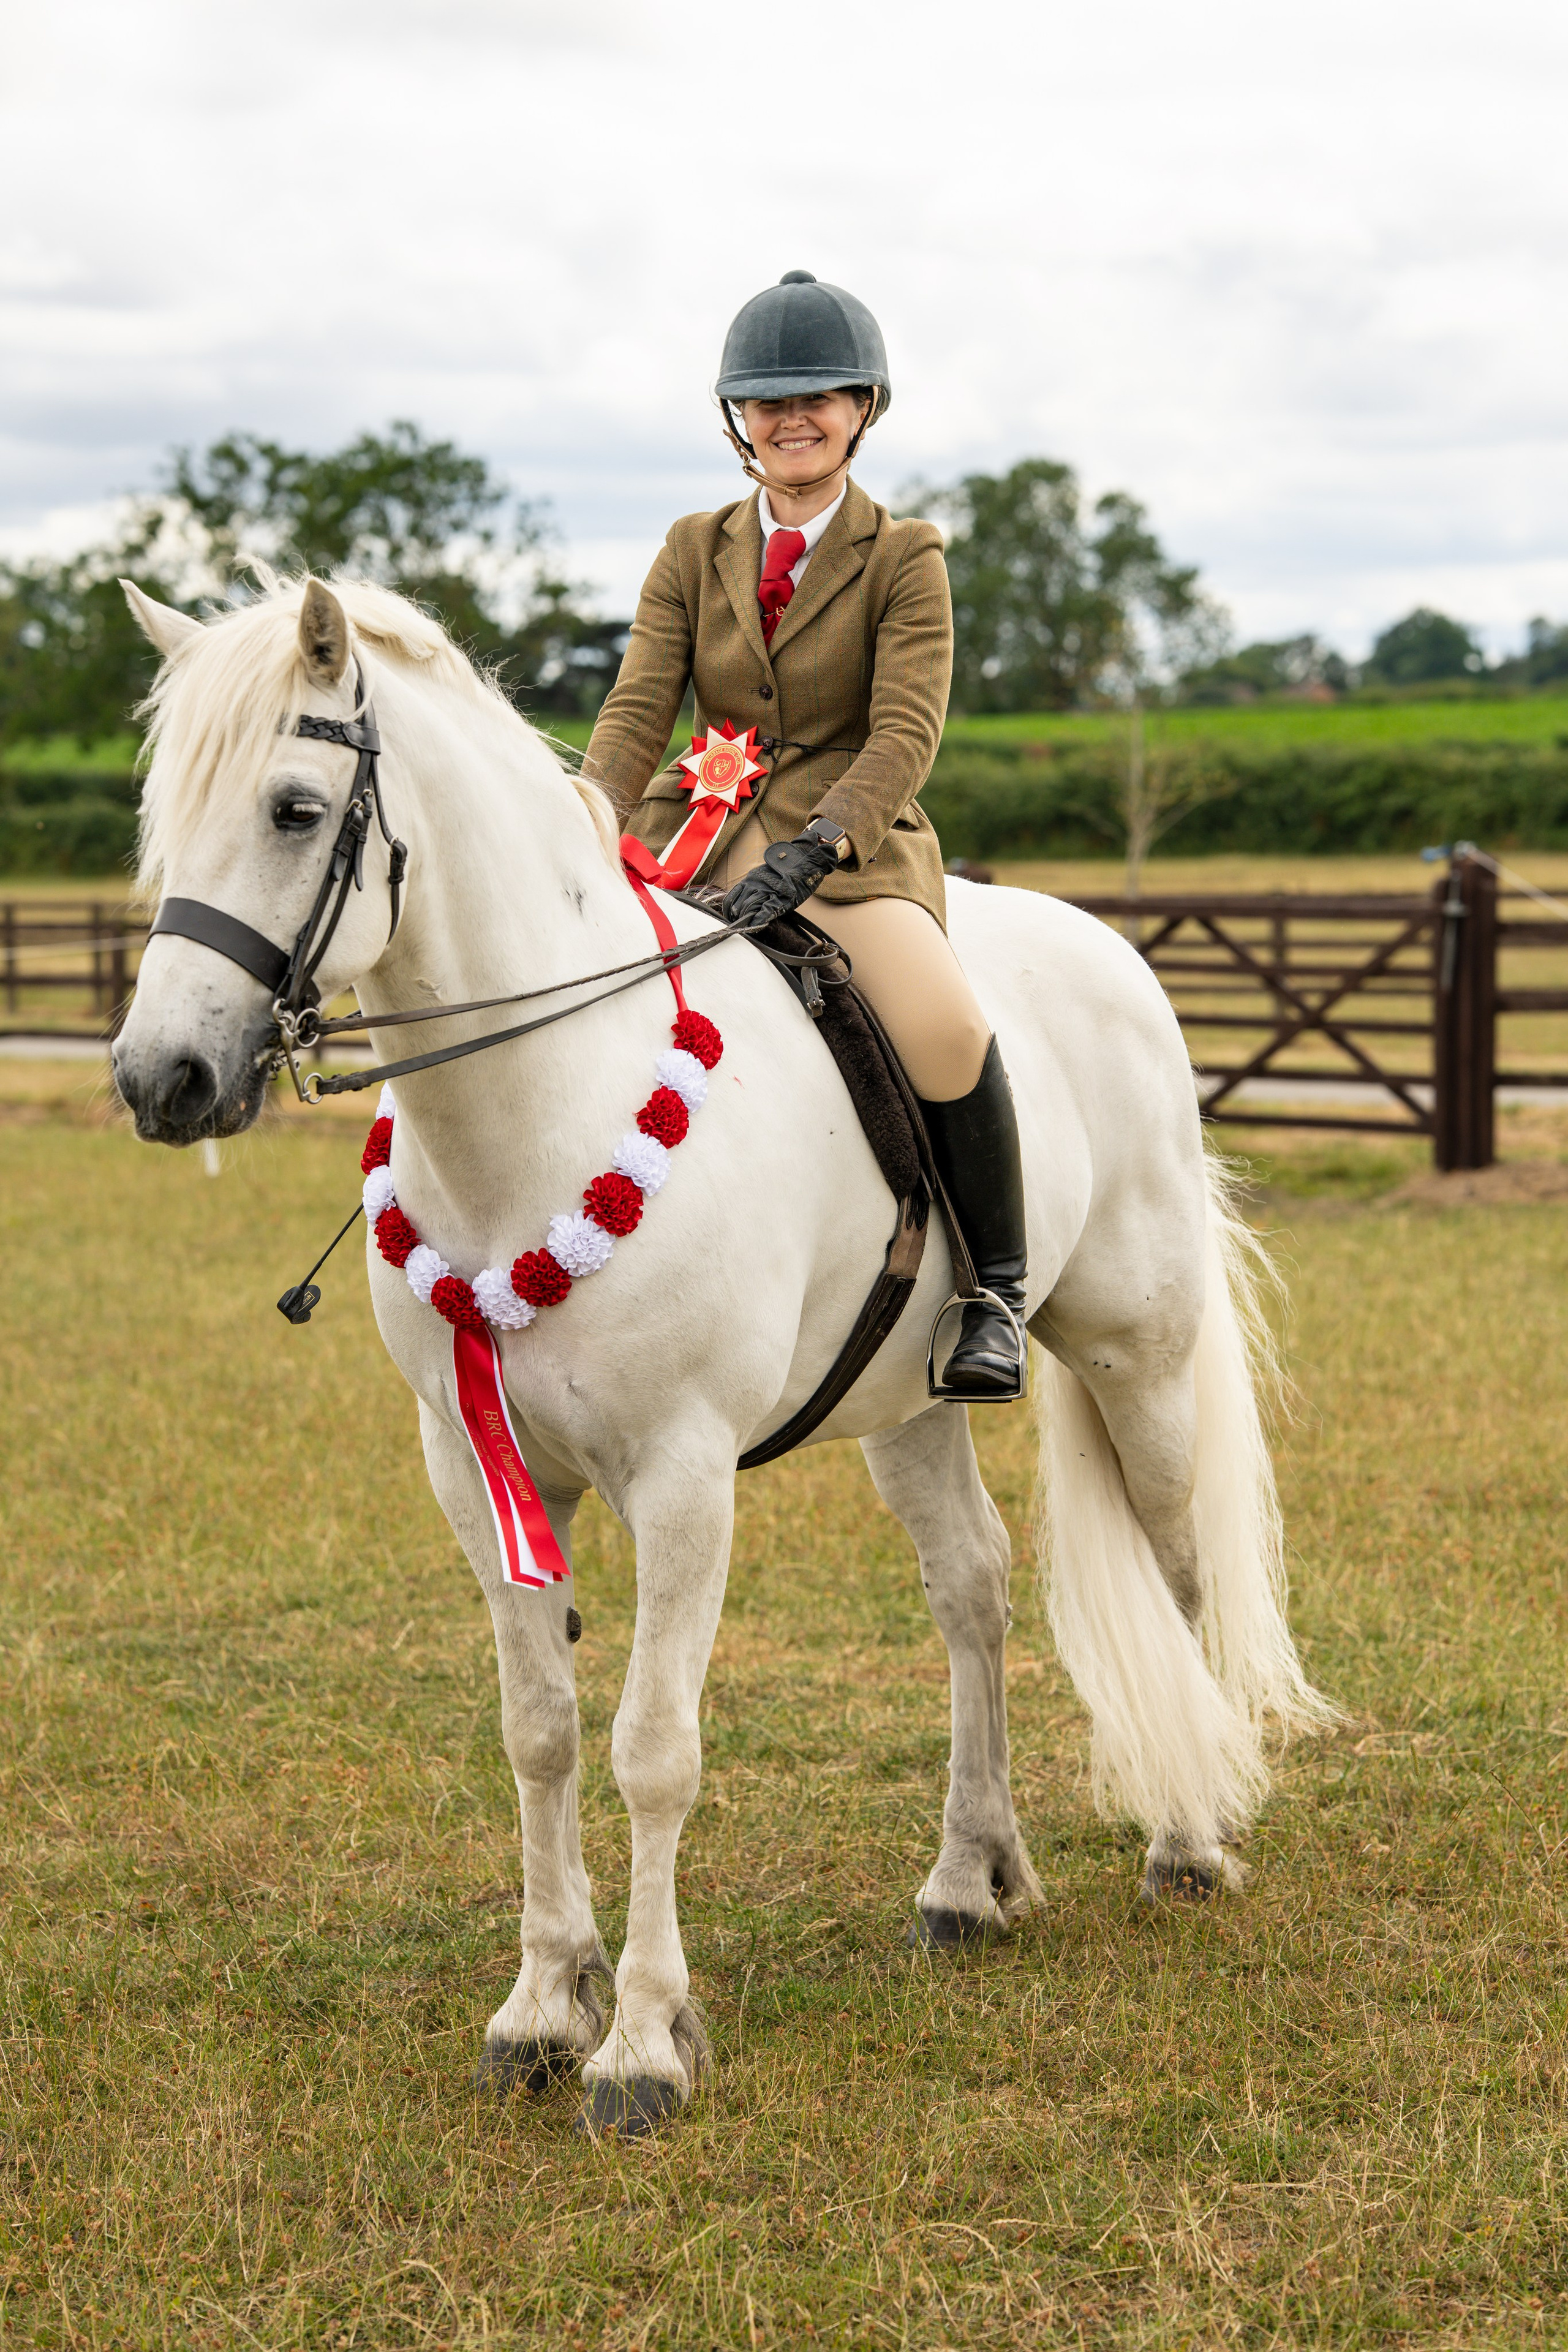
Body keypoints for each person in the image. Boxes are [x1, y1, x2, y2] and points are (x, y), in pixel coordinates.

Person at [583, 270, 1026, 1398]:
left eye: (818, 396)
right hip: (692, 838)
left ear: (863, 406)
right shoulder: (693, 548)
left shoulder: (905, 555)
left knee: (944, 1026)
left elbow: (905, 731)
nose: (793, 418)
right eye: (768, 400)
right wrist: (585, 816)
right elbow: (640, 707)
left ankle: (995, 1296)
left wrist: (818, 846)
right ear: (738, 418)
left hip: (848, 853)